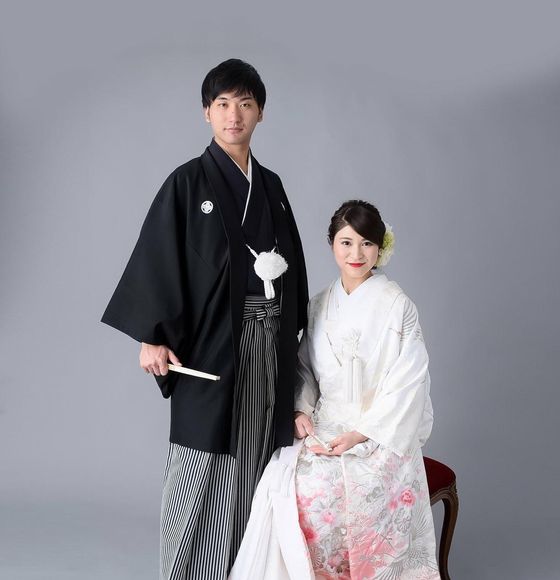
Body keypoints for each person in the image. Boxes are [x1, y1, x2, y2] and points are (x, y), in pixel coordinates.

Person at [101, 58, 308, 580]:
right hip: (213, 348)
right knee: (200, 468)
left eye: (245, 104)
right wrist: (151, 334)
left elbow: (294, 268)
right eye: (222, 104)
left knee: (257, 463)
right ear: (206, 113)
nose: (233, 115)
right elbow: (159, 258)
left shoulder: (272, 186)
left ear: (261, 113)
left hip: (267, 348)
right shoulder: (188, 182)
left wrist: (293, 335)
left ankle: (247, 570)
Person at [292, 200, 439, 578]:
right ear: (331, 244)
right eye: (346, 242)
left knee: (358, 492)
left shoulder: (397, 305)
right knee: (300, 488)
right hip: (326, 424)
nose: (356, 254)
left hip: (380, 429)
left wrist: (361, 434)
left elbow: (409, 380)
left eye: (367, 243)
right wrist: (302, 409)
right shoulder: (319, 304)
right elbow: (305, 367)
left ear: (380, 247)